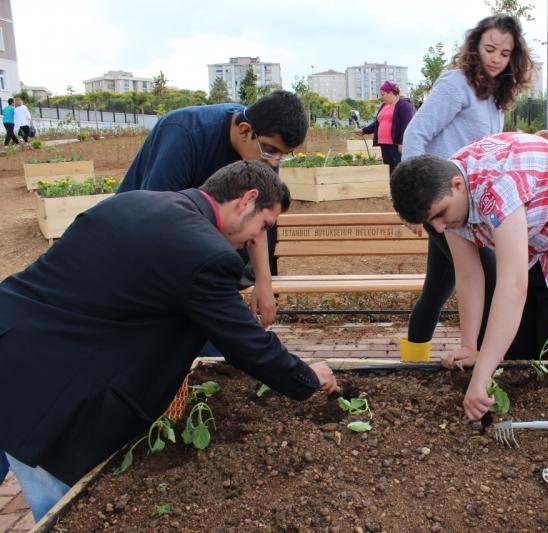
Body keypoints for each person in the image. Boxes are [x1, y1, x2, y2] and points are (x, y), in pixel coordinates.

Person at [0, 160, 338, 522]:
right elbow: (247, 345)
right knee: (62, 513)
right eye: (264, 225)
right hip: (43, 392)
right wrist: (305, 375)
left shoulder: (135, 203)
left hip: (11, 337)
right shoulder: (203, 252)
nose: (258, 239)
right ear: (246, 200)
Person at [391, 132, 548, 421]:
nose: (440, 227)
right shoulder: (450, 198)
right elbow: (469, 276)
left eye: (441, 215)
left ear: (457, 185)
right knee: (517, 350)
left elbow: (513, 286)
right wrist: (471, 347)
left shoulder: (496, 189)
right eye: (431, 222)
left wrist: (480, 377)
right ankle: (524, 422)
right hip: (534, 238)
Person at [398, 14, 548, 362]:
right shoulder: (457, 84)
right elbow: (416, 133)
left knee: (438, 287)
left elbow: (491, 149)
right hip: (443, 203)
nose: (496, 58)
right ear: (474, 46)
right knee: (488, 273)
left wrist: (531, 140)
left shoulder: (492, 96)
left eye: (504, 52)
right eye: (489, 48)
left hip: (468, 206)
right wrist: (414, 201)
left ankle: (413, 361)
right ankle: (486, 357)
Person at [118, 90, 307, 328]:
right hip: (143, 240)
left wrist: (263, 280)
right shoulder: (184, 133)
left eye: (283, 155)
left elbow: (258, 218)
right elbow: (156, 217)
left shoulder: (263, 153)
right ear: (245, 131)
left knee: (215, 332)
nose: (274, 162)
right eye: (271, 150)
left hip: (202, 244)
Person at [356, 80, 413, 173]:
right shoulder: (384, 105)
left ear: (390, 93)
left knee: (399, 170)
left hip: (395, 145)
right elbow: (378, 123)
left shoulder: (404, 105)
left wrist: (401, 143)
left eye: (383, 94)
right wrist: (364, 130)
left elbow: (406, 125)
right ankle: (392, 187)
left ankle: (401, 187)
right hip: (384, 143)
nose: (381, 97)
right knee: (389, 170)